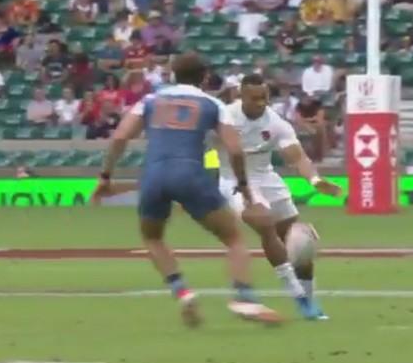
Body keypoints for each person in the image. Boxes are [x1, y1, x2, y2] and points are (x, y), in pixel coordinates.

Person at [92, 53, 283, 326]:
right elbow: (235, 150)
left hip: (154, 175)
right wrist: (243, 187)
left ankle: (182, 292)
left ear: (171, 74)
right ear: (205, 77)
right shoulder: (213, 104)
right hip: (190, 173)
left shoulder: (149, 101)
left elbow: (120, 136)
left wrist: (105, 176)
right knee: (234, 239)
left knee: (153, 238)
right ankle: (244, 298)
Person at [213, 74, 339, 320]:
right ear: (242, 96)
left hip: (267, 179)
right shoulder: (224, 117)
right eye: (255, 98)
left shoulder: (276, 122)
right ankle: (299, 299)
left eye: (265, 97)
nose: (261, 103)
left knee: (298, 240)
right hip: (235, 182)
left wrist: (314, 179)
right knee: (265, 225)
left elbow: (297, 157)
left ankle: (310, 300)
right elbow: (199, 145)